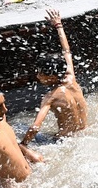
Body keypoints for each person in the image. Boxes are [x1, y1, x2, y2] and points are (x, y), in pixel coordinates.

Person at [21, 9, 88, 146]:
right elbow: (66, 51)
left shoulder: (50, 97)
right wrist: (59, 26)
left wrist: (23, 145)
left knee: (18, 126)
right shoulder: (71, 77)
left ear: (51, 77)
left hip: (63, 142)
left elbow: (34, 128)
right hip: (83, 135)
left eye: (41, 73)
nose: (37, 76)